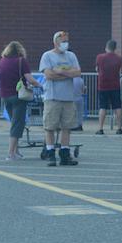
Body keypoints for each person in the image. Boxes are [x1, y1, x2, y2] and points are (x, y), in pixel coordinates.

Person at [39, 30, 81, 165]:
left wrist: (61, 71)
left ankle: (64, 153)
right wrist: (68, 74)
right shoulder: (47, 56)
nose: (66, 44)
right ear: (56, 42)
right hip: (52, 97)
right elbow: (48, 75)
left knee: (66, 127)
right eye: (63, 41)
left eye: (67, 41)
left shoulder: (71, 56)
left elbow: (77, 72)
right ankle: (50, 152)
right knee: (50, 127)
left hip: (68, 97)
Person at [0, 41, 42, 161]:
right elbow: (29, 78)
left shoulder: (2, 61)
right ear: (20, 50)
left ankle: (16, 151)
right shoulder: (21, 61)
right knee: (17, 124)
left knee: (14, 122)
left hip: (5, 95)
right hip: (18, 96)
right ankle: (10, 153)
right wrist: (40, 85)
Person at [95, 40, 122, 135]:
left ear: (106, 47)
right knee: (117, 107)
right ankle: (119, 128)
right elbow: (120, 70)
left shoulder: (99, 57)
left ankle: (100, 128)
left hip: (103, 85)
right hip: (115, 85)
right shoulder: (118, 58)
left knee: (102, 107)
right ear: (115, 48)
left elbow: (97, 69)